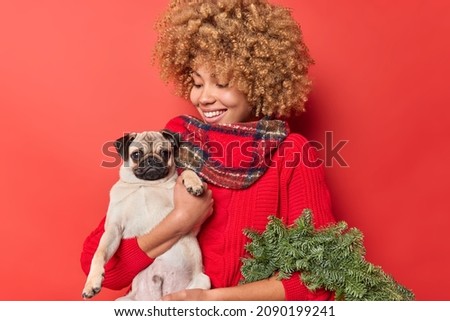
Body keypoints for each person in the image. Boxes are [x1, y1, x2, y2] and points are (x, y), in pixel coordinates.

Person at [81, 0, 336, 300]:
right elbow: (99, 268)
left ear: (258, 82)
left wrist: (210, 301)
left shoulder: (292, 154)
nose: (205, 98)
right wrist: (179, 222)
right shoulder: (175, 140)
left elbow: (320, 278)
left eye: (222, 83)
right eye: (198, 83)